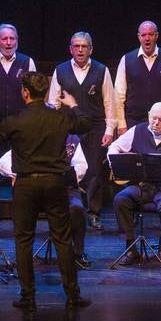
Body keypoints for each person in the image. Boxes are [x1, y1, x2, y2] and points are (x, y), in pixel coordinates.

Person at [0, 72, 92, 310]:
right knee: (62, 240)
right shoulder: (59, 117)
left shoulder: (15, 120)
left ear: (25, 92)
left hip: (26, 186)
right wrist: (74, 105)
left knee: (24, 241)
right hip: (54, 183)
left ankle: (28, 297)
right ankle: (72, 295)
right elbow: (86, 125)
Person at [48, 31, 117, 230]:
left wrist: (109, 130)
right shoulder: (60, 70)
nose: (80, 50)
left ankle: (93, 212)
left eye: (84, 46)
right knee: (68, 169)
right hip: (68, 128)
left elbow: (109, 102)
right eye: (76, 46)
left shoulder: (101, 70)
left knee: (94, 171)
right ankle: (68, 209)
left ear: (90, 49)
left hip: (95, 127)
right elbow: (53, 103)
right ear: (70, 49)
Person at [109, 102, 161, 262]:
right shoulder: (137, 131)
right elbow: (114, 147)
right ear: (148, 115)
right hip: (142, 186)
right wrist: (118, 164)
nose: (156, 123)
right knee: (121, 199)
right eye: (153, 119)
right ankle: (131, 247)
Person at [0, 134, 91, 267]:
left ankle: (78, 253)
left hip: (65, 189)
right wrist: (17, 174)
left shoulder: (71, 139)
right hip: (37, 190)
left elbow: (81, 165)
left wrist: (66, 176)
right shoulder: (31, 136)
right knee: (22, 206)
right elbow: (3, 162)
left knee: (77, 208)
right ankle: (24, 256)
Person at [113, 20, 161, 137]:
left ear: (156, 36)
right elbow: (118, 95)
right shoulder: (127, 60)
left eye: (150, 34)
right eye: (143, 35)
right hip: (134, 123)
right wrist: (121, 124)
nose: (147, 38)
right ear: (139, 37)